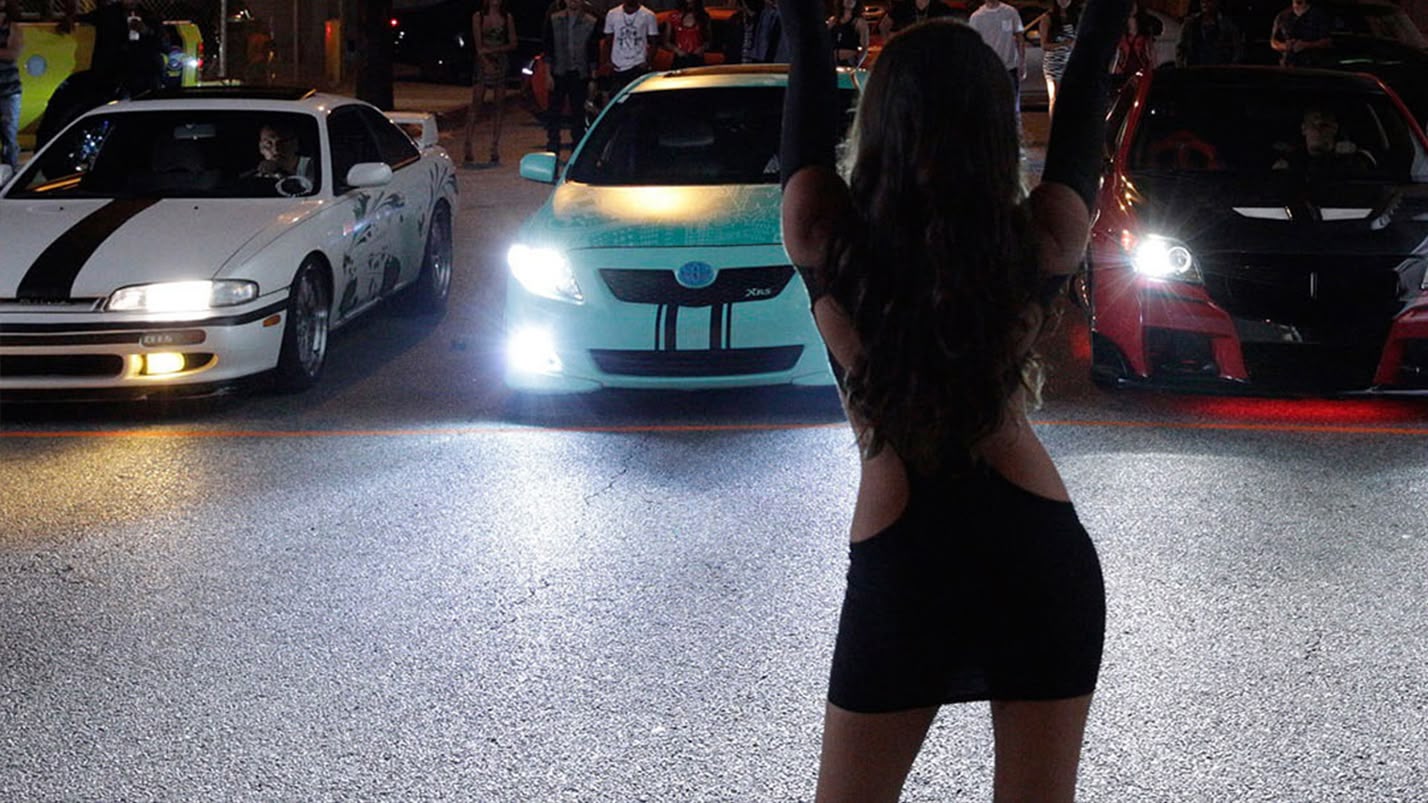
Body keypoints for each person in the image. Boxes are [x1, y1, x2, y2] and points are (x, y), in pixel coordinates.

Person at [779, 0, 1123, 790]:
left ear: (878, 119)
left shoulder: (824, 232)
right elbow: (1086, 91)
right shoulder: (1041, 235)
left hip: (906, 560)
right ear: (996, 129)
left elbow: (805, 74)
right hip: (1037, 552)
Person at [463, 0, 518, 167]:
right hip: (482, 62)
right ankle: (468, 144)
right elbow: (479, 46)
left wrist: (495, 50)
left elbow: (513, 43)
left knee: (499, 105)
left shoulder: (507, 17)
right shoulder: (478, 17)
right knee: (476, 102)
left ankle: (494, 146)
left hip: (500, 61)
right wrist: (486, 61)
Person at [543, 0, 599, 155]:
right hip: (559, 71)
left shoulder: (590, 22)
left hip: (579, 73)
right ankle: (553, 148)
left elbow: (593, 51)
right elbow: (548, 48)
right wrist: (547, 74)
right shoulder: (554, 19)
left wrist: (593, 78)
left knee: (578, 114)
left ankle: (577, 150)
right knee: (554, 113)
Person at [968, 0, 1026, 136]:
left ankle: (1014, 136)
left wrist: (1022, 62)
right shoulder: (977, 17)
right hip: (988, 69)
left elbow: (1019, 37)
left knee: (1013, 105)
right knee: (990, 105)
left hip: (1009, 67)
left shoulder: (1010, 12)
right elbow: (973, 45)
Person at [1272, 107, 1375, 174]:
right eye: (1313, 125)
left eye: (1324, 125)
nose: (1318, 131)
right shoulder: (1291, 162)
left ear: (1335, 128)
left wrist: (1352, 160)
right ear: (1303, 129)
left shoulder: (1353, 159)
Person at [602, 0, 660, 95]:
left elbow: (654, 41)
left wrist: (647, 62)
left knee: (637, 98)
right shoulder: (612, 14)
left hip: (638, 65)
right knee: (618, 98)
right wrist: (608, 61)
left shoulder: (648, 15)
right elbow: (608, 40)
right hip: (618, 65)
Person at [1039, 0, 1082, 117]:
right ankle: (1055, 124)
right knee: (1055, 97)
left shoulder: (1077, 17)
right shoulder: (1048, 18)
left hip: (1072, 61)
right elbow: (1044, 45)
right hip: (1054, 62)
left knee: (1071, 98)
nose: (1063, 1)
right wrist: (1064, 44)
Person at [1176, 0, 1243, 66]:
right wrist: (1181, 67)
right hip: (1195, 69)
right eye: (1203, 1)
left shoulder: (1227, 26)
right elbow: (1180, 49)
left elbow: (1237, 50)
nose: (1205, 3)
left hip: (1219, 69)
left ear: (1217, 2)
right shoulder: (1190, 24)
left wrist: (1231, 68)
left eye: (1209, 1)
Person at [1271, 0, 1333, 67]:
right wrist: (1285, 46)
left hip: (1311, 66)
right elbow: (1273, 41)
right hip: (1287, 66)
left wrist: (1306, 45)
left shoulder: (1319, 15)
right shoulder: (1282, 16)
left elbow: (1328, 41)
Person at [0, 0, 23, 171]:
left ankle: (11, 172)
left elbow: (13, 53)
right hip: (9, 88)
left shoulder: (13, 28)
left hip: (9, 89)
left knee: (9, 134)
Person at [1111, 2, 1155, 75]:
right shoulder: (1118, 29)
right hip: (1122, 70)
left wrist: (1151, 68)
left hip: (1140, 69)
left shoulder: (1144, 29)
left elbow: (1150, 52)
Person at [664, 0, 711, 68]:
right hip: (680, 59)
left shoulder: (703, 17)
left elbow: (709, 41)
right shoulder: (673, 17)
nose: (689, 5)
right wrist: (677, 50)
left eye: (691, 3)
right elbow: (666, 42)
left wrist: (702, 48)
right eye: (688, 3)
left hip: (697, 59)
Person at [878, 0, 953, 41]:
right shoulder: (903, 7)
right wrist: (888, 45)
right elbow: (883, 25)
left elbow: (952, 32)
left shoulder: (941, 8)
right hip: (908, 55)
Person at [827, 0, 869, 67]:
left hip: (849, 62)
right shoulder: (833, 21)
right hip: (832, 61)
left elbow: (865, 48)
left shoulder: (860, 23)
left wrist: (857, 64)